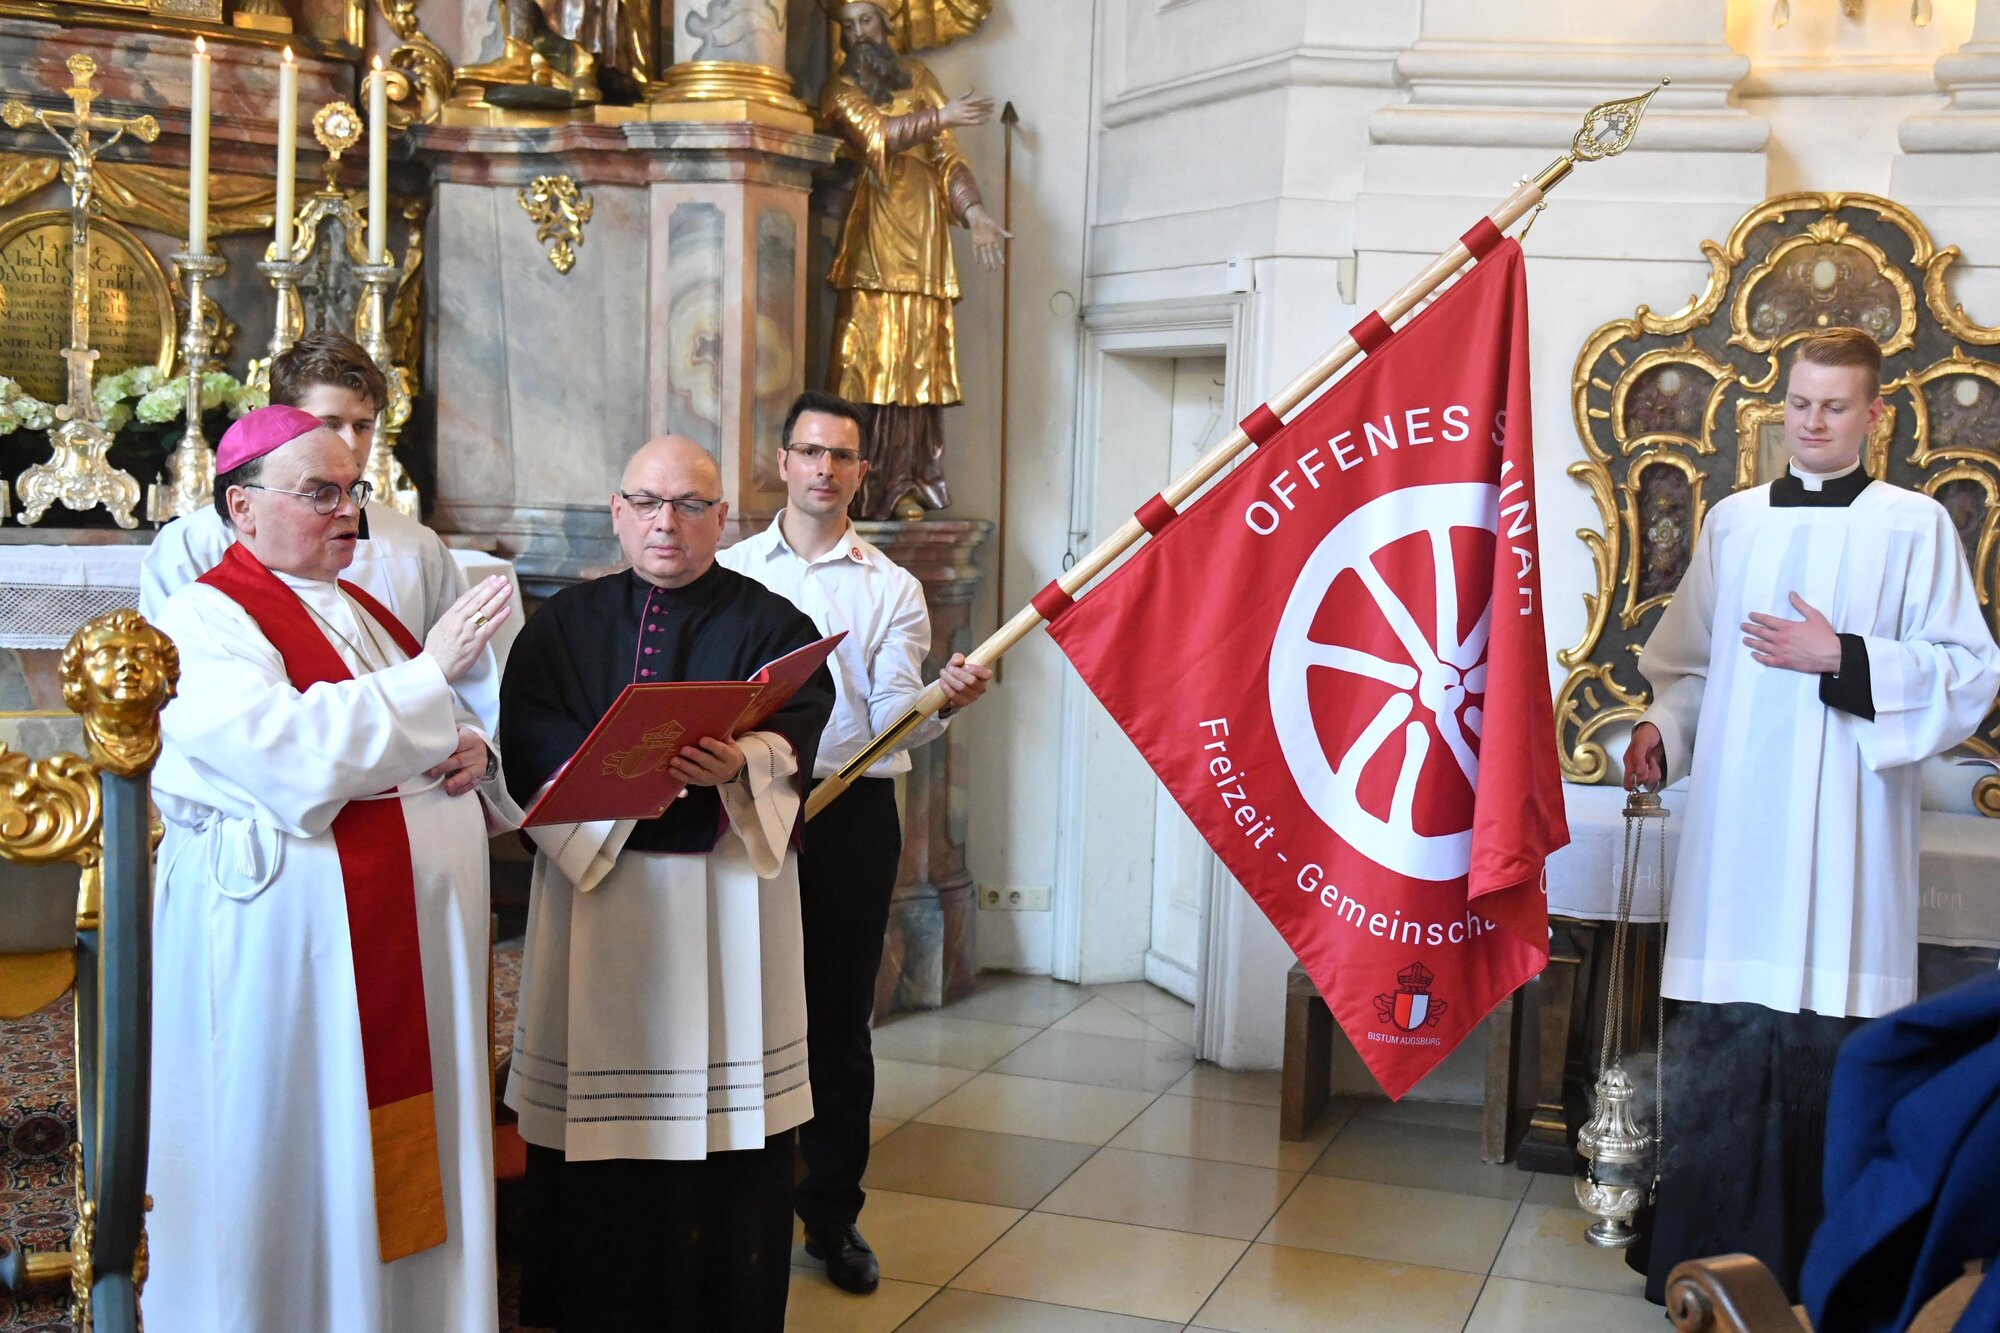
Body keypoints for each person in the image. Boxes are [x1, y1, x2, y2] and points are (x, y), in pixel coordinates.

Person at [1621, 326, 2000, 1305]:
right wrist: (1662, 724)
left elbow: (1968, 674)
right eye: (1798, 403)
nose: (1812, 422)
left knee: (1823, 1054)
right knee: (1725, 1041)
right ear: (1778, 404)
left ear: (1872, 414)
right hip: (1736, 841)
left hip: (1844, 839)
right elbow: (1691, 664)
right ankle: (1691, 1267)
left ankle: (1815, 1277)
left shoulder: (1910, 526)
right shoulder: (1732, 523)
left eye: (1833, 406)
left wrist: (1844, 657)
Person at [144, 405, 517, 1332]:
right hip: (287, 963)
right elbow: (289, 750)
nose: (347, 511)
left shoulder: (361, 610)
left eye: (353, 490)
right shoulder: (201, 618)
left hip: (393, 957)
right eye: (320, 492)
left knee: (389, 1146)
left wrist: (472, 750)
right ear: (242, 508)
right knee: (296, 1152)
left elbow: (417, 725)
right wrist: (432, 677)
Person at [499, 435, 837, 1331]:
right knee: (594, 1135)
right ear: (616, 511)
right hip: (603, 896)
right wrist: (615, 781)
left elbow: (802, 723)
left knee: (727, 1129)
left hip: (724, 903)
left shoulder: (774, 623)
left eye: (690, 505)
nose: (666, 523)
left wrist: (745, 758)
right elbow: (528, 739)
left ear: (722, 519)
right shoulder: (560, 626)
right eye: (647, 502)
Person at [718, 390, 992, 1294]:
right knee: (742, 1010)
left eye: (842, 456)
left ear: (861, 472)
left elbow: (888, 717)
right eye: (809, 452)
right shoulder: (731, 571)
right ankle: (736, 1200)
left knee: (837, 1021)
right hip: (747, 807)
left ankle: (830, 1215)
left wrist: (934, 704)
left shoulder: (892, 587)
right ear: (784, 461)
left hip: (850, 813)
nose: (824, 470)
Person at [140, 331, 501, 732]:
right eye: (329, 423)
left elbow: (469, 682)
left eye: (362, 426)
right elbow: (179, 695)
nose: (348, 443)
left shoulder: (415, 547)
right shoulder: (190, 545)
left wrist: (474, 740)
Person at [820, 0, 1008, 518]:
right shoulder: (838, 91)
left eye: (867, 21)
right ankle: (856, 484)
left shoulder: (919, 77)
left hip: (925, 241)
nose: (860, 33)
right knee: (864, 363)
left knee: (914, 365)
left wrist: (975, 216)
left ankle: (906, 483)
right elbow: (876, 133)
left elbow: (946, 155)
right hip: (874, 239)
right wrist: (943, 114)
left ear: (885, 25)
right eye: (850, 25)